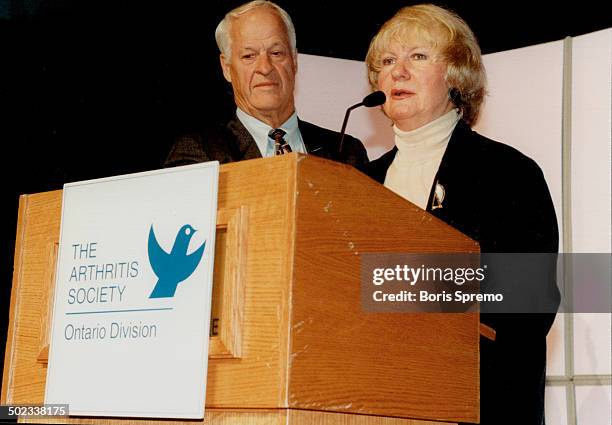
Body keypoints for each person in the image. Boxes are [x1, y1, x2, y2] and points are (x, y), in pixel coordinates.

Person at [363, 4, 558, 424]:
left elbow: (528, 299)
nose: (398, 72)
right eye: (387, 61)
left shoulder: (508, 173)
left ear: (456, 75)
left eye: (417, 56)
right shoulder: (360, 184)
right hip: (376, 400)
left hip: (480, 402)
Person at [164, 0, 368, 169]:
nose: (265, 67)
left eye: (276, 53)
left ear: (294, 61)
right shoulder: (202, 155)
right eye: (249, 56)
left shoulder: (346, 152)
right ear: (226, 68)